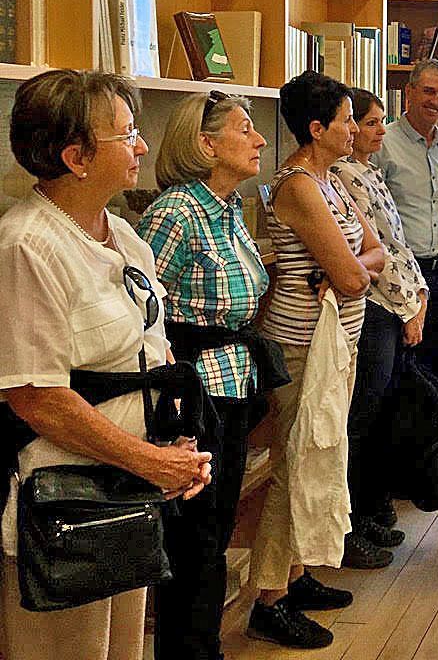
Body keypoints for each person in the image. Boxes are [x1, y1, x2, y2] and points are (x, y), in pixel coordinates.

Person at [0, 70, 211, 660]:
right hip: (63, 497)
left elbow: (151, 356)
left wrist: (177, 450)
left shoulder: (123, 235)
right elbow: (38, 399)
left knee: (122, 649)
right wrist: (152, 462)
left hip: (127, 487)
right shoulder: (26, 247)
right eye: (127, 134)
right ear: (77, 157)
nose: (143, 145)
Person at [248, 71, 384, 650]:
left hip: (338, 341)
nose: (355, 129)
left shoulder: (334, 182)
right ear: (316, 128)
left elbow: (374, 252)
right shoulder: (299, 185)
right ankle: (268, 599)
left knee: (321, 456)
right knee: (293, 467)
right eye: (348, 119)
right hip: (301, 344)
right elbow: (355, 276)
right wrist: (348, 272)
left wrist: (348, 271)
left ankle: (297, 574)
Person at [137, 90, 270, 660]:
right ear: (206, 143)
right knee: (191, 535)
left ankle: (204, 646)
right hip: (194, 393)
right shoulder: (175, 212)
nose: (260, 138)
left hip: (234, 383)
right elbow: (142, 310)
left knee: (214, 529)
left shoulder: (230, 207)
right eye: (245, 129)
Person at [332, 89, 433, 552]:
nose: (373, 131)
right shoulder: (342, 177)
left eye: (373, 122)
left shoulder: (369, 172)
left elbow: (397, 244)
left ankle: (366, 508)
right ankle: (348, 523)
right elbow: (374, 260)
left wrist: (420, 296)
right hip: (375, 308)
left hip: (398, 303)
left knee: (379, 415)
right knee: (361, 417)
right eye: (366, 122)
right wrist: (407, 304)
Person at [373, 58, 438, 398]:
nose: (436, 102)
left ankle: (437, 443)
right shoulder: (384, 142)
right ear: (409, 92)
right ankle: (402, 448)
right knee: (401, 367)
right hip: (402, 274)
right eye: (428, 91)